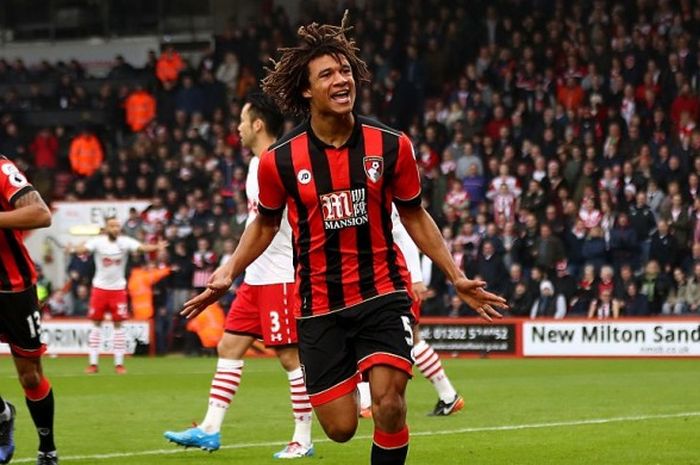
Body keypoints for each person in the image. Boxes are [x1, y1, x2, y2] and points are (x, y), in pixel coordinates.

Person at [181, 13, 506, 465]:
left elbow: (415, 214)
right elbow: (264, 224)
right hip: (318, 304)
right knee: (339, 428)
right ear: (306, 90)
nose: (341, 80)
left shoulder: (391, 145)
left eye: (346, 71)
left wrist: (456, 276)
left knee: (390, 406)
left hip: (382, 292)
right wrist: (227, 272)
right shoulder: (280, 160)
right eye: (327, 74)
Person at [164, 93, 314, 459]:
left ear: (258, 124)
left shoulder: (280, 165)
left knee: (289, 357)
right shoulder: (253, 167)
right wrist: (231, 265)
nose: (238, 127)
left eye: (243, 121)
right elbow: (254, 223)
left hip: (280, 275)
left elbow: (278, 224)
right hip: (255, 278)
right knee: (229, 346)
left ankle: (303, 438)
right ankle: (210, 429)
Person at [358, 207, 464, 417]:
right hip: (388, 277)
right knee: (403, 337)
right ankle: (448, 395)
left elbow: (402, 233)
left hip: (395, 277)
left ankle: (448, 395)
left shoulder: (384, 199)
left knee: (409, 338)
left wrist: (415, 278)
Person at [0, 155, 58, 465]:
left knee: (31, 377)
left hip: (13, 288)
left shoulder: (1, 169)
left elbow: (40, 213)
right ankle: (1, 414)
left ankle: (47, 447)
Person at [71, 217, 166, 374]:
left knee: (119, 327)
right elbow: (82, 250)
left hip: (118, 290)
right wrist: (77, 247)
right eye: (112, 226)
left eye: (117, 226)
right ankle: (93, 363)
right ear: (106, 228)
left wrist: (156, 246)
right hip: (99, 289)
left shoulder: (125, 242)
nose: (115, 228)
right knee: (96, 325)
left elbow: (142, 247)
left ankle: (119, 364)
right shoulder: (98, 242)